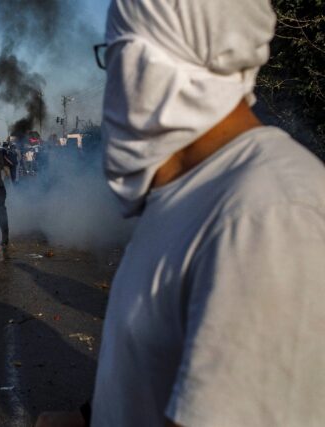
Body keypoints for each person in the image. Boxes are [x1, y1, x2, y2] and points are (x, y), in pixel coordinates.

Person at [36, 1, 325, 426]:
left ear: (158, 60)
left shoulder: (268, 215)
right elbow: (159, 368)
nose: (113, 78)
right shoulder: (188, 195)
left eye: (116, 55)